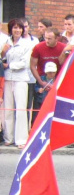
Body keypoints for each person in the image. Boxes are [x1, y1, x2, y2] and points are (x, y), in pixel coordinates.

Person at [2, 18, 33, 148]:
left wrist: (9, 65)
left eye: (19, 28)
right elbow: (1, 59)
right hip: (8, 79)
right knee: (8, 109)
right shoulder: (6, 42)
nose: (17, 30)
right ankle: (9, 137)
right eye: (15, 28)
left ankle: (21, 139)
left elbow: (24, 63)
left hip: (21, 79)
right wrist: (3, 52)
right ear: (10, 29)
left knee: (20, 109)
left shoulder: (27, 44)